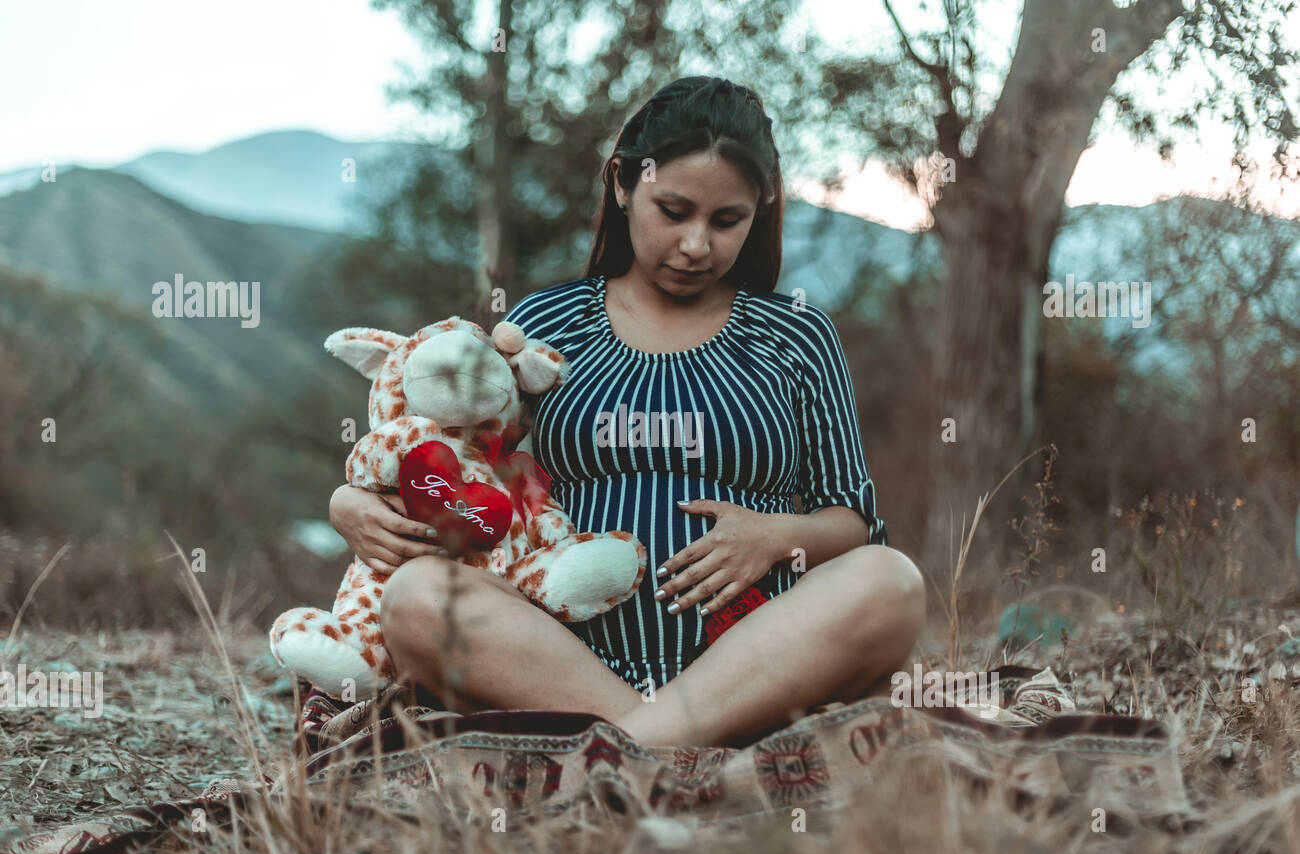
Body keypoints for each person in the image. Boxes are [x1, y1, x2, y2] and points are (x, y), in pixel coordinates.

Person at [328, 76, 924, 748]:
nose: (697, 244)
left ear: (761, 210)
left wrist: (771, 535)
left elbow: (852, 521)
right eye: (674, 211)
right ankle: (674, 745)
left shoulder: (796, 334)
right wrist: (349, 507)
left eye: (726, 221)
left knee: (890, 580)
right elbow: (453, 463)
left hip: (755, 664)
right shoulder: (544, 327)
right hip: (556, 661)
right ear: (622, 186)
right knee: (414, 596)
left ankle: (631, 749)